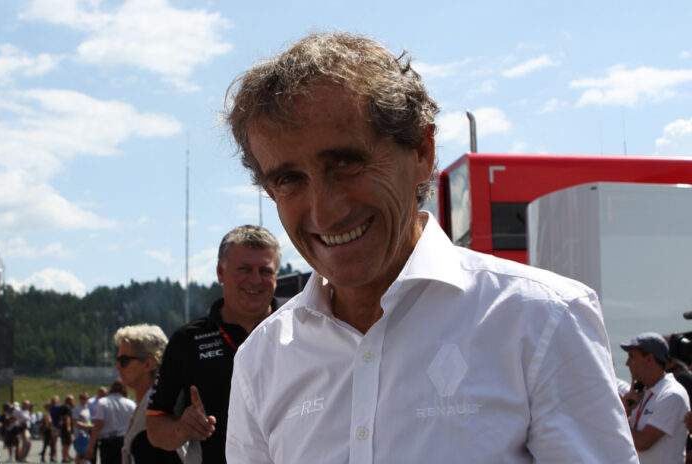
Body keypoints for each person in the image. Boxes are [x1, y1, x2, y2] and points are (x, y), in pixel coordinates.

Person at [223, 31, 638, 463]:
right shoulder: (261, 359)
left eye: (346, 162)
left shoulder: (543, 319)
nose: (324, 213)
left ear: (421, 151)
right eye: (289, 179)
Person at [146, 225, 280, 464]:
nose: (255, 279)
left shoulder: (302, 332)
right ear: (220, 272)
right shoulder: (186, 341)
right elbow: (155, 428)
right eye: (244, 269)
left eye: (265, 271)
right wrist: (182, 429)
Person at [111, 324, 182, 464]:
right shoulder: (147, 402)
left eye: (124, 360)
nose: (117, 366)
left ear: (148, 364)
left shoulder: (158, 403)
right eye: (117, 359)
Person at [622, 332, 690, 463]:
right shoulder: (642, 392)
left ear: (649, 359)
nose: (627, 363)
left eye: (632, 356)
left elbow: (642, 443)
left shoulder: (672, 394)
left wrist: (620, 417)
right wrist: (626, 410)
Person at [84, 379, 135, 464]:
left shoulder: (103, 402)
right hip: (124, 441)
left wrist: (91, 446)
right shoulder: (131, 404)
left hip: (108, 442)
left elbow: (98, 426)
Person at [73, 393, 92, 464]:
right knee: (80, 453)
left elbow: (88, 419)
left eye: (87, 398)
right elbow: (74, 421)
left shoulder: (87, 408)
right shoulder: (77, 408)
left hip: (87, 433)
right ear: (80, 399)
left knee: (85, 453)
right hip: (80, 433)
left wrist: (90, 425)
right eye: (84, 398)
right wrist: (85, 425)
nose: (86, 400)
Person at [60, 395, 75, 463]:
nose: (73, 401)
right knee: (67, 443)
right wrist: (68, 427)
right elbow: (67, 417)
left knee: (65, 443)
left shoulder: (63, 407)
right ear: (69, 400)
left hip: (62, 427)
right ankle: (65, 457)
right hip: (66, 428)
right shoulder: (67, 407)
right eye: (72, 400)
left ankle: (66, 456)